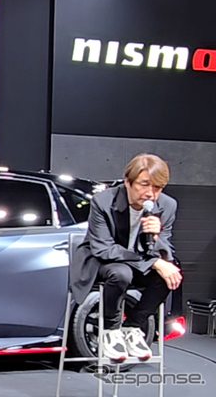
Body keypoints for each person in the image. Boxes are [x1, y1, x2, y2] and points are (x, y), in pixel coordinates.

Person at [71, 153, 182, 362]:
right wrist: (153, 262)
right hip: (103, 263)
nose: (150, 194)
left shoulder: (167, 205)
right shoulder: (103, 201)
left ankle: (133, 327)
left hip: (138, 264)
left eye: (157, 188)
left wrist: (156, 238)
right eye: (144, 184)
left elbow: (165, 250)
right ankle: (110, 330)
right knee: (121, 273)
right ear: (128, 182)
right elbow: (103, 249)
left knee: (171, 273)